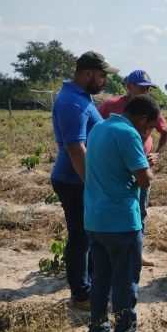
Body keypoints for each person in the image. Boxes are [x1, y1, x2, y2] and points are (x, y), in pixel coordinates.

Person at [84, 95, 160, 332]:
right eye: (149, 128)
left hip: (94, 220)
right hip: (121, 222)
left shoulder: (99, 128)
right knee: (126, 283)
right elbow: (144, 180)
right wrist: (148, 166)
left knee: (100, 279)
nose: (147, 134)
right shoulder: (128, 134)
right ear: (142, 119)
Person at [50, 51, 119, 311]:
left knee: (88, 235)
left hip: (79, 179)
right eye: (101, 75)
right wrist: (93, 184)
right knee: (80, 237)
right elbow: (76, 147)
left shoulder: (82, 98)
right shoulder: (73, 103)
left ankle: (90, 285)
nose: (104, 81)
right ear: (87, 74)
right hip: (74, 180)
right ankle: (81, 294)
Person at [98, 69, 167, 267]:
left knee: (140, 210)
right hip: (115, 170)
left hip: (140, 167)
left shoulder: (150, 107)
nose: (145, 91)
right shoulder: (111, 106)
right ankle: (111, 253)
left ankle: (136, 252)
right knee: (115, 209)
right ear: (129, 86)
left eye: (148, 88)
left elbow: (165, 132)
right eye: (142, 87)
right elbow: (94, 128)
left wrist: (158, 153)